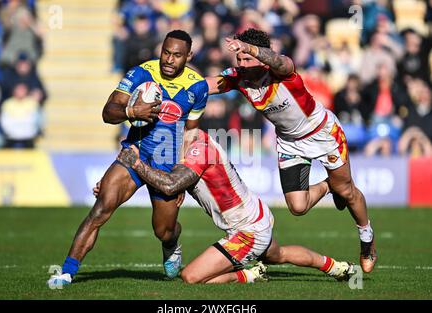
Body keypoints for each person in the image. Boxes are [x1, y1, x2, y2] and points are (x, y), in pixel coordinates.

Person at [206, 28, 377, 273]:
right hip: (289, 142)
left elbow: (279, 61)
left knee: (348, 191)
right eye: (239, 59)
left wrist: (249, 48)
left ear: (261, 56)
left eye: (247, 58)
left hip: (322, 133)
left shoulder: (281, 71)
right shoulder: (238, 78)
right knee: (298, 207)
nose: (242, 63)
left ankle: (367, 240)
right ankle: (331, 184)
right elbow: (206, 86)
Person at [47, 30, 209, 286]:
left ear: (189, 56)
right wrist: (131, 110)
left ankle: (172, 243)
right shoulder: (140, 73)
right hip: (133, 155)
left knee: (163, 230)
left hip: (166, 165)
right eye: (166, 52)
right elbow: (108, 112)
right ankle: (67, 273)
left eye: (177, 55)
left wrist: (182, 174)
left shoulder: (198, 86)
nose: (169, 59)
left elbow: (190, 133)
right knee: (100, 209)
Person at [107, 129, 357, 284]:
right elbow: (172, 180)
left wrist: (138, 165)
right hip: (256, 215)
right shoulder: (192, 143)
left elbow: (171, 186)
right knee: (278, 255)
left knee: (191, 277)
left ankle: (249, 275)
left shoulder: (198, 151)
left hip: (247, 231)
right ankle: (336, 267)